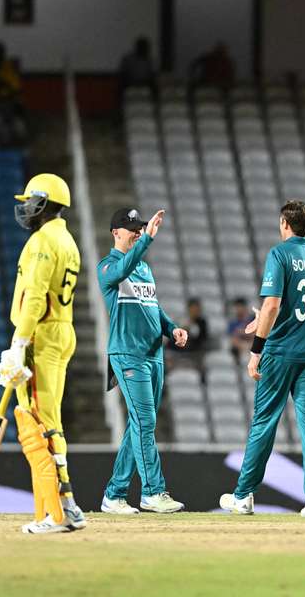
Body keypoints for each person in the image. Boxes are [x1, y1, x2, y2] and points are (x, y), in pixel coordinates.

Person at [220, 201, 305, 517]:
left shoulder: (280, 254)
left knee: (264, 423)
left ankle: (243, 496)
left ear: (285, 223)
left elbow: (273, 306)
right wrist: (264, 318)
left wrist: (256, 350)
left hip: (281, 353)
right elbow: (295, 307)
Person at [0, 173, 85, 533]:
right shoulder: (68, 240)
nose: (25, 208)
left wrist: (19, 343)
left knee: (41, 422)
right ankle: (54, 508)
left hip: (41, 336)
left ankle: (63, 511)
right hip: (62, 330)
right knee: (48, 418)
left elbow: (34, 296)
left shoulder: (42, 241)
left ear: (44, 203)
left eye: (30, 201)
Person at [99, 208, 188, 516]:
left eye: (139, 228)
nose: (136, 232)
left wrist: (171, 327)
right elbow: (123, 268)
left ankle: (114, 495)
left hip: (154, 354)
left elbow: (152, 307)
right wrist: (147, 239)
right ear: (115, 233)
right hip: (127, 354)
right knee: (146, 421)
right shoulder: (108, 267)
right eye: (130, 228)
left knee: (138, 425)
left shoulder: (144, 270)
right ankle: (152, 492)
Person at [167, 297, 209, 375]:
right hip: (178, 350)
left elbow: (202, 338)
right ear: (188, 309)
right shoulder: (182, 321)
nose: (194, 311)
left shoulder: (202, 323)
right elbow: (173, 338)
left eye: (196, 309)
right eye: (192, 309)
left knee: (202, 366)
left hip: (195, 351)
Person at [227, 297, 255, 363]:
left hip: (253, 346)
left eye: (240, 307)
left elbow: (256, 335)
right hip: (240, 348)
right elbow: (233, 339)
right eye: (236, 307)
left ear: (245, 307)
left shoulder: (253, 319)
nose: (238, 309)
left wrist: (242, 332)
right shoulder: (232, 323)